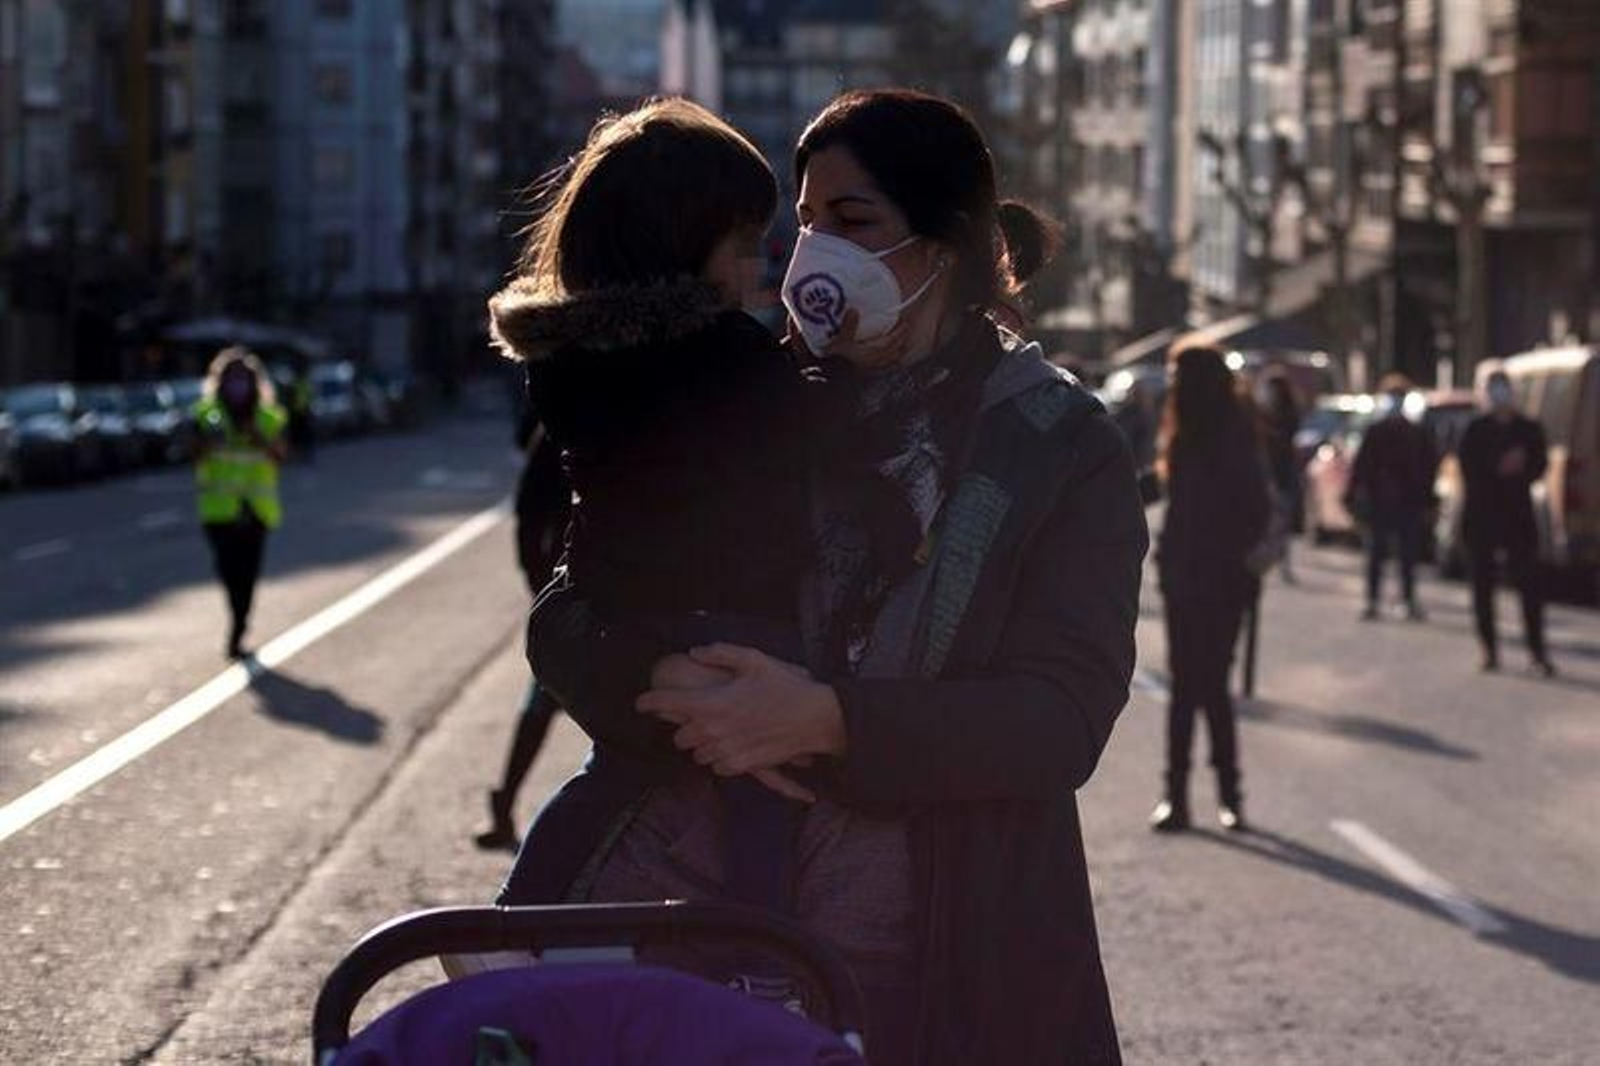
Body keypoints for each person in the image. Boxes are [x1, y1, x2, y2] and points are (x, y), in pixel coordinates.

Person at [499, 89, 1147, 1065]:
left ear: (940, 244)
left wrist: (826, 719)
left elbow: (1061, 715)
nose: (812, 253)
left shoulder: (1057, 442)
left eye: (851, 222)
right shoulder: (739, 389)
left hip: (952, 942)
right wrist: (650, 678)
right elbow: (569, 601)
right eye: (802, 223)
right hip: (692, 916)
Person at [487, 99, 819, 908]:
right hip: (738, 622)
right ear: (683, 243)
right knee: (762, 793)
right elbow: (816, 438)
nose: (759, 268)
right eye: (745, 245)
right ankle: (763, 949)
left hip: (620, 609)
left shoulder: (567, 364)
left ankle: (519, 921)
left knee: (608, 781)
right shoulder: (730, 355)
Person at [1150, 344, 1270, 834]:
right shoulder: (1186, 437)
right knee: (1194, 688)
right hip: (1189, 577)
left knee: (1204, 688)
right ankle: (1192, 796)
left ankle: (1215, 795)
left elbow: (1253, 509)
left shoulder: (1232, 436)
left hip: (1217, 580)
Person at [473, 408, 572, 851]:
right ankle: (506, 802)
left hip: (576, 584)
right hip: (578, 586)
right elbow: (531, 508)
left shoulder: (566, 416)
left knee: (545, 699)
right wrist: (542, 582)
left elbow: (529, 509)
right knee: (546, 695)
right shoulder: (565, 423)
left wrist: (540, 581)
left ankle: (506, 803)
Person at [192, 347, 288, 659]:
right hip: (219, 510)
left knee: (247, 575)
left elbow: (281, 455)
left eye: (243, 379)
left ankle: (238, 626)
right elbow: (192, 452)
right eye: (231, 379)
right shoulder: (210, 414)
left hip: (255, 510)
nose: (237, 386)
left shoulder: (268, 416)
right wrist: (209, 441)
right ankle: (237, 618)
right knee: (227, 571)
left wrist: (257, 435)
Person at [1457, 369, 1555, 676]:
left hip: (1518, 516)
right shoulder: (1475, 429)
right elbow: (1468, 469)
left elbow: (1540, 465)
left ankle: (1537, 652)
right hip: (1482, 516)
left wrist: (1522, 467)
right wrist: (1496, 466)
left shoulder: (1528, 429)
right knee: (1483, 588)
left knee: (1530, 587)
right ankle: (1489, 649)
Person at [1346, 373, 1437, 621]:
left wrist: (1428, 501)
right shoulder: (1375, 432)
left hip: (1408, 502)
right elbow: (1361, 467)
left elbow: (1428, 469)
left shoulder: (1417, 433)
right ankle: (1373, 600)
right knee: (1377, 553)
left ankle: (1407, 599)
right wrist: (1353, 496)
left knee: (1408, 555)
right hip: (1380, 502)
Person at [1260, 370, 1303, 583]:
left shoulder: (1288, 414)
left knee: (1282, 522)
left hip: (1283, 475)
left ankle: (1282, 561)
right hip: (1265, 476)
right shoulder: (1259, 414)